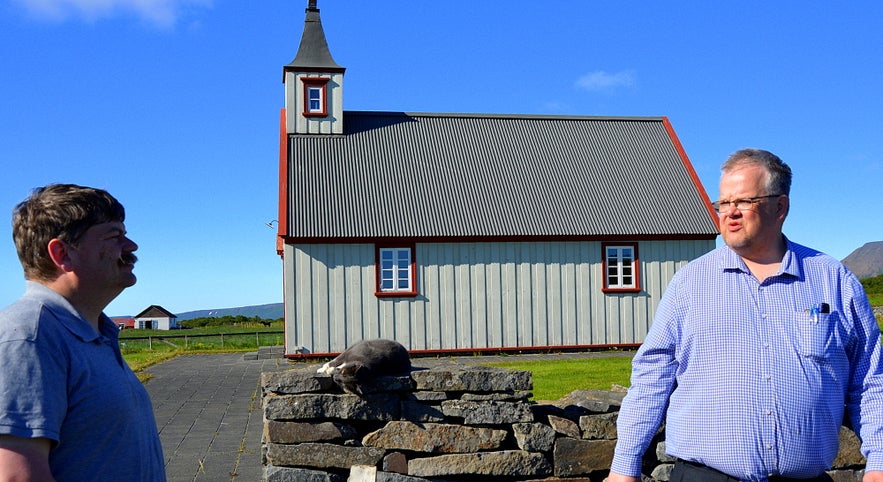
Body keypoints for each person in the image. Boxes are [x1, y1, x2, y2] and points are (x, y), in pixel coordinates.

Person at [609, 149, 883, 482]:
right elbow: (652, 376)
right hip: (704, 477)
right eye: (723, 204)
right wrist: (624, 465)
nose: (730, 214)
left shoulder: (833, 280)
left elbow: (871, 380)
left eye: (744, 202)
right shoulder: (690, 283)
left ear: (780, 207)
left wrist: (879, 463)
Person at [0, 184, 165, 481]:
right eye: (115, 236)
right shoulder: (30, 336)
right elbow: (17, 475)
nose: (131, 246)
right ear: (62, 253)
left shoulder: (93, 331)